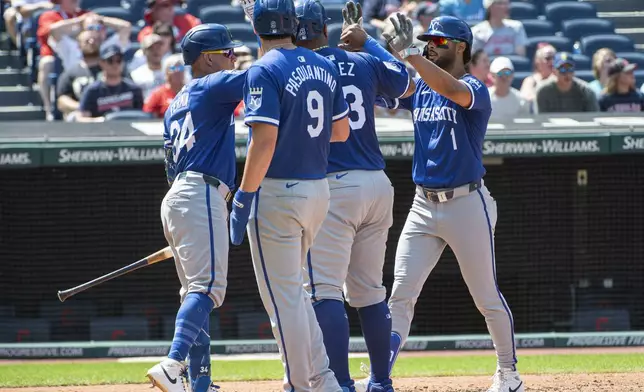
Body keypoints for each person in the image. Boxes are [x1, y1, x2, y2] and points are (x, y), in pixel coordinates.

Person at [357, 14, 525, 392]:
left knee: (486, 297)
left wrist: (412, 52)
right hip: (422, 206)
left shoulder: (473, 87)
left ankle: (508, 373)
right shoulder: (421, 85)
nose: (431, 44)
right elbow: (394, 81)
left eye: (439, 40)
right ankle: (379, 378)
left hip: (467, 203)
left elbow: (450, 89)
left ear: (461, 46)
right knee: (400, 293)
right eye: (427, 39)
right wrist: (368, 42)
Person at [227, 0, 350, 390]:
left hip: (278, 193)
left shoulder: (262, 68)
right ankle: (322, 378)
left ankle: (299, 383)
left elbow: (263, 142)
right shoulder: (323, 64)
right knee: (294, 295)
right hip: (318, 191)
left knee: (283, 301)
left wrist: (244, 195)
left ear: (257, 27)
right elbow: (341, 131)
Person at [295, 1, 415, 391]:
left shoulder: (298, 68)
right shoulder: (361, 60)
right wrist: (371, 44)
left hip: (335, 186)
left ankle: (342, 383)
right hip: (377, 184)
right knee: (369, 292)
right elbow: (405, 83)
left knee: (326, 290)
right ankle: (381, 381)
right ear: (325, 28)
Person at [145, 23, 246, 392]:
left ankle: (201, 383)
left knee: (196, 293)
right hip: (201, 193)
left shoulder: (175, 104)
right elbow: (269, 72)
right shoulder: (213, 84)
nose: (233, 58)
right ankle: (173, 364)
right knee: (207, 290)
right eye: (228, 53)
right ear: (207, 58)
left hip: (179, 196)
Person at [74, 45, 144, 122]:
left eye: (119, 60)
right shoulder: (93, 90)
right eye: (110, 61)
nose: (115, 65)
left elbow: (140, 115)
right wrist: (101, 121)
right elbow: (81, 118)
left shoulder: (134, 89)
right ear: (101, 63)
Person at [534, 52, 598, 113]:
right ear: (554, 71)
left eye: (570, 69)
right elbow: (541, 118)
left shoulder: (586, 92)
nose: (567, 74)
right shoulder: (543, 91)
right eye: (562, 69)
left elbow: (593, 117)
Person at [143, 54, 187, 118]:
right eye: (173, 68)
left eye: (180, 68)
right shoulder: (158, 94)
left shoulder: (190, 91)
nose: (178, 71)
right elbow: (148, 115)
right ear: (166, 72)